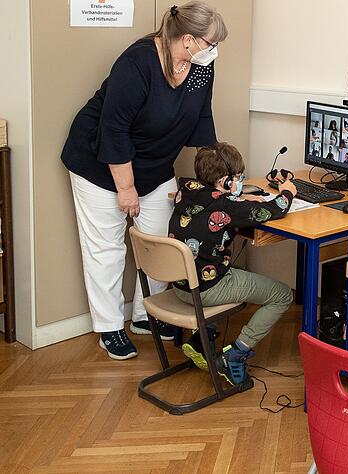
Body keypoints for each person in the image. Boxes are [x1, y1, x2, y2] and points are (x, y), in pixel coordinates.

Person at [61, 2, 227, 360]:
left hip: (154, 164)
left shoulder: (199, 67)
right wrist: (125, 189)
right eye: (210, 44)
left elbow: (202, 116)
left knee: (158, 240)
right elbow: (114, 128)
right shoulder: (137, 63)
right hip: (100, 162)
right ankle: (109, 327)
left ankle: (144, 315)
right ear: (187, 39)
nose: (214, 51)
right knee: (106, 248)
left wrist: (218, 171)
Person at [169, 143, 297, 385]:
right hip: (206, 289)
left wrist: (237, 197)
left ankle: (201, 339)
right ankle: (235, 355)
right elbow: (276, 209)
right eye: (238, 178)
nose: (240, 181)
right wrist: (288, 191)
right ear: (226, 181)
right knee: (281, 295)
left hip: (181, 283)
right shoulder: (227, 206)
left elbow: (218, 203)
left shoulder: (184, 192)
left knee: (236, 272)